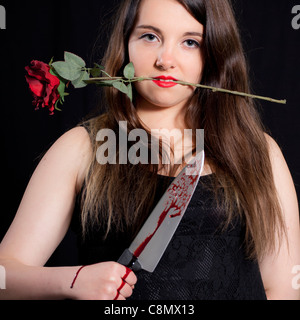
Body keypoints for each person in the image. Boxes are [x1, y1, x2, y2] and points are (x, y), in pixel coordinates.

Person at [0, 0, 299, 300]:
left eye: (190, 42)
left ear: (215, 53)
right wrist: (73, 280)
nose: (165, 60)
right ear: (126, 42)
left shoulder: (258, 153)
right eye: (150, 36)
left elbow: (284, 289)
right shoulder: (83, 148)